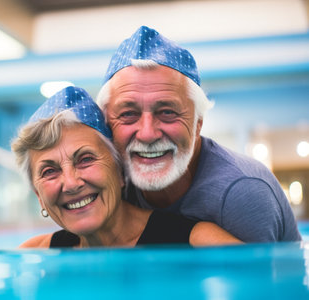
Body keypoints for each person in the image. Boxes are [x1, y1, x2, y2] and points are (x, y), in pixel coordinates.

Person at [95, 26, 301, 242]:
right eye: (128, 114)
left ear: (198, 123)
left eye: (167, 112)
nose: (147, 134)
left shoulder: (240, 193)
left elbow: (265, 276)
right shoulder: (114, 184)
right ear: (107, 123)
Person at [12, 86, 241, 248]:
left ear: (121, 171)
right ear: (39, 196)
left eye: (86, 160)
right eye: (49, 171)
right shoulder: (35, 256)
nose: (71, 183)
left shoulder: (197, 243)